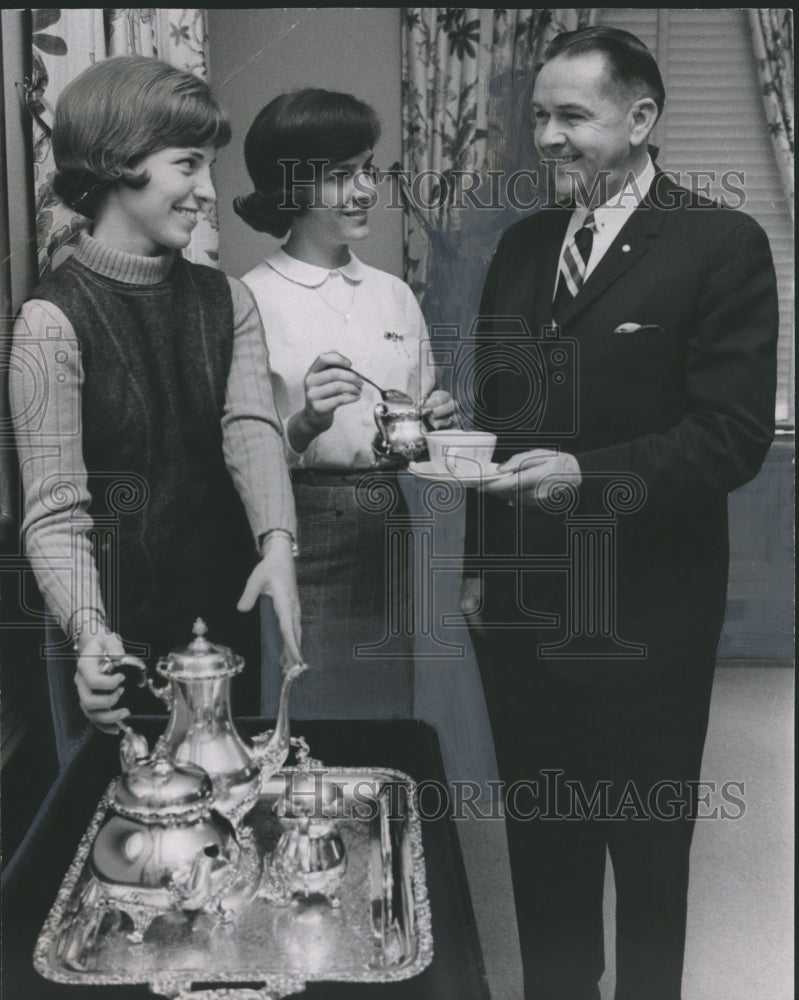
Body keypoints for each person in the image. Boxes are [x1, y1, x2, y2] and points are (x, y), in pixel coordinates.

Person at [461, 27, 778, 1000]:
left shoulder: (721, 244)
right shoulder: (517, 247)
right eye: (538, 117)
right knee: (542, 839)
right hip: (523, 609)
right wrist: (480, 567)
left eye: (571, 116)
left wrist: (582, 478)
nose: (547, 138)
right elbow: (499, 419)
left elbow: (729, 436)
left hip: (649, 612)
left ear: (641, 119)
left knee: (646, 849)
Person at [10, 56, 302, 742]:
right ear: (118, 164)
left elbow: (253, 430)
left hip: (224, 617)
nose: (208, 192)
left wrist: (279, 548)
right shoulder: (49, 323)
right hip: (115, 642)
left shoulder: (228, 299)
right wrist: (90, 634)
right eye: (188, 164)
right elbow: (54, 515)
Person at [234, 89, 456, 719]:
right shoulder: (248, 299)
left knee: (389, 711)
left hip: (394, 523)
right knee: (312, 709)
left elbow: (414, 424)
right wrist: (302, 424)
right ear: (292, 188)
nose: (364, 190)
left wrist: (437, 420)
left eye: (368, 169)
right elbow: (235, 456)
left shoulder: (394, 296)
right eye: (340, 176)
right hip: (302, 531)